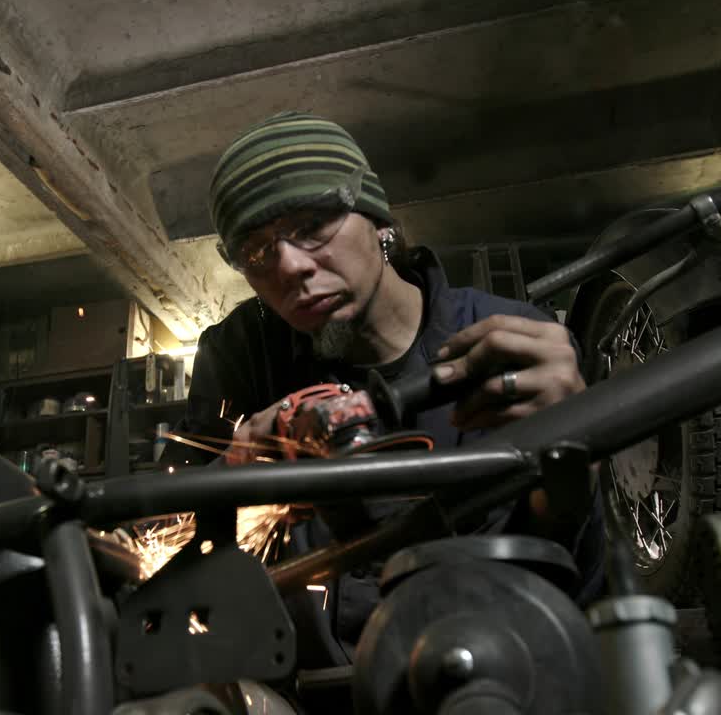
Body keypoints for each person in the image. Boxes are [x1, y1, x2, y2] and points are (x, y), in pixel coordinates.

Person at [161, 111, 604, 667]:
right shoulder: (239, 356)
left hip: (488, 672)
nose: (289, 266)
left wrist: (574, 471)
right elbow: (157, 539)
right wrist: (236, 469)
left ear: (377, 219)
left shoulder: (508, 341)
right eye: (256, 252)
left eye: (311, 225)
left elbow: (577, 584)